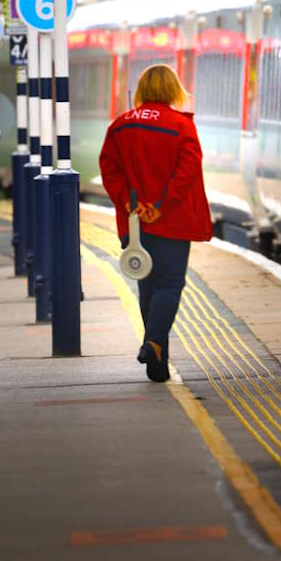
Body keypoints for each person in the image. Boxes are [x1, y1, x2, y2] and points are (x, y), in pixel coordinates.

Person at [98, 64, 213, 382]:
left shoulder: (120, 126)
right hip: (170, 222)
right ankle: (152, 343)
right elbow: (187, 170)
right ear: (173, 90)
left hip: (133, 222)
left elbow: (108, 166)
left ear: (144, 89)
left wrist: (128, 201)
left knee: (146, 284)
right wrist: (160, 206)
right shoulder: (180, 126)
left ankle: (157, 362)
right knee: (170, 283)